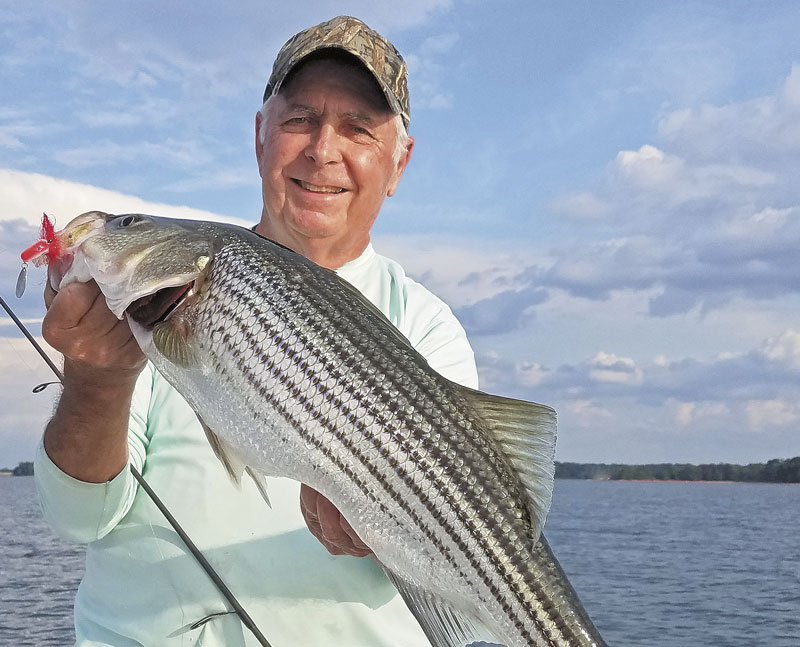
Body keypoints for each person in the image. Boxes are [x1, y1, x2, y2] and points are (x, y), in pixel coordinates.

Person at [35, 15, 479, 647]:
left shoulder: (427, 327)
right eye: (299, 119)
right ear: (259, 136)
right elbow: (78, 519)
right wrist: (97, 383)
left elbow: (462, 546)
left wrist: (388, 529)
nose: (323, 149)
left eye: (358, 129)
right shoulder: (148, 306)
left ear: (399, 162)